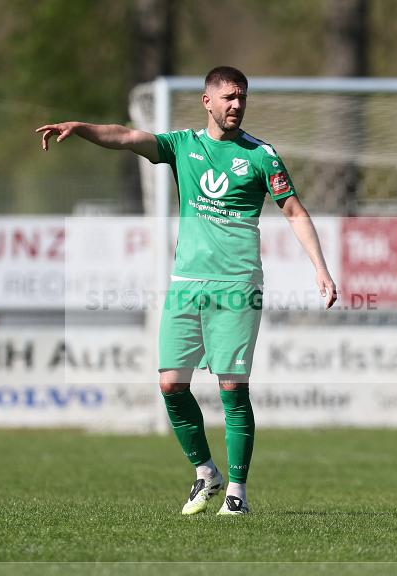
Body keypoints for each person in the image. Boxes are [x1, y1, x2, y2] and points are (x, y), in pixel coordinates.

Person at [36, 66, 337, 516]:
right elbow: (124, 137)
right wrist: (80, 129)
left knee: (233, 388)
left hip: (237, 286)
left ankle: (237, 492)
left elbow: (293, 209)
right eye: (230, 97)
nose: (237, 105)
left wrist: (320, 268)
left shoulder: (261, 156)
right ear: (207, 101)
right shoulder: (182, 146)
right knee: (171, 385)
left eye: (242, 97)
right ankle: (205, 474)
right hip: (185, 286)